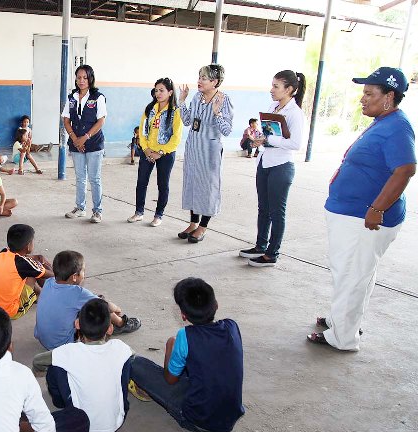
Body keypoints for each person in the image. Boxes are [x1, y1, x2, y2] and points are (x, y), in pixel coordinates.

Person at [308, 67, 415, 350]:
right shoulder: (384, 121)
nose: (362, 99)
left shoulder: (397, 127)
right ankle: (342, 321)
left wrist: (377, 209)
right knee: (355, 273)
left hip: (364, 218)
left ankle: (343, 338)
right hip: (352, 213)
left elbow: (405, 170)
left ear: (389, 96)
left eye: (369, 93)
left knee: (352, 274)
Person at [130, 278, 245, 432]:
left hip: (197, 419)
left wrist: (170, 346)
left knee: (134, 363)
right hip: (230, 416)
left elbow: (170, 379)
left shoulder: (185, 336)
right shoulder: (232, 326)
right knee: (197, 362)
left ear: (183, 315)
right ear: (216, 305)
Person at [239, 70, 307, 267]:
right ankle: (261, 245)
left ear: (290, 90)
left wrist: (268, 139)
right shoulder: (273, 107)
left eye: (276, 86)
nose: (272, 90)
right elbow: (269, 134)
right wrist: (259, 140)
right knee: (264, 209)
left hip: (281, 166)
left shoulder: (295, 113)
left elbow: (295, 143)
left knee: (277, 212)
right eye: (272, 85)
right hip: (265, 162)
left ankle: (272, 253)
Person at [42, 298, 134, 432]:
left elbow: (38, 361)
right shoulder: (120, 348)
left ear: (77, 324)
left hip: (79, 423)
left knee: (54, 368)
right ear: (110, 329)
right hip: (117, 421)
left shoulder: (67, 352)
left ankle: (60, 403)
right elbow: (132, 355)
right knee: (125, 362)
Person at [33, 250, 140, 351]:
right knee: (99, 305)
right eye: (83, 271)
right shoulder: (77, 293)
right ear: (74, 276)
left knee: (90, 300)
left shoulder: (49, 282)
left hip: (43, 339)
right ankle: (121, 324)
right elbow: (105, 306)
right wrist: (116, 308)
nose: (85, 274)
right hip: (62, 345)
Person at [177, 64, 234, 243]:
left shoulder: (224, 100)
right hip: (193, 149)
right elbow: (187, 121)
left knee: (207, 187)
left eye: (203, 78)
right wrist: (182, 101)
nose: (199, 81)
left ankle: (203, 226)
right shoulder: (197, 97)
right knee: (193, 184)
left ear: (215, 82)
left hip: (209, 151)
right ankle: (193, 223)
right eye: (199, 77)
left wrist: (217, 114)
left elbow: (227, 130)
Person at [127, 78, 184, 227]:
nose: (158, 93)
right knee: (141, 182)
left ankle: (159, 215)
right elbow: (143, 130)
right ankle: (139, 212)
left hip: (165, 154)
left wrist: (160, 152)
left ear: (170, 93)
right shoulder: (150, 109)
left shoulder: (175, 112)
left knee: (162, 184)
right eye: (156, 90)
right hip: (148, 152)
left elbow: (176, 137)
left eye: (161, 90)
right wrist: (145, 149)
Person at [63, 65, 107, 223]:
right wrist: (75, 139)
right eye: (79, 77)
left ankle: (97, 211)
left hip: (94, 143)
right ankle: (80, 208)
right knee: (80, 178)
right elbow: (66, 120)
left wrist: (85, 137)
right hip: (76, 143)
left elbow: (101, 120)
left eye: (85, 77)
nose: (81, 80)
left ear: (90, 79)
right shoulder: (71, 97)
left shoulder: (98, 97)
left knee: (94, 178)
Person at [0, 224, 52, 319]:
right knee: (35, 271)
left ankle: (38, 294)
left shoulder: (3, 252)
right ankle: (41, 295)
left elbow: (21, 259)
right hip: (9, 311)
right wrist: (54, 269)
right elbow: (49, 275)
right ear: (28, 246)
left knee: (30, 268)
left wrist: (35, 257)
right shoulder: (24, 264)